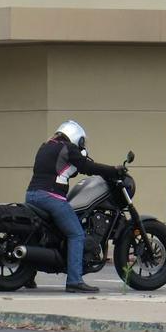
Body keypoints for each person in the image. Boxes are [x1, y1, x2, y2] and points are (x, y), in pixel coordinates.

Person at [25, 120, 123, 293]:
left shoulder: (45, 146)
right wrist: (114, 170)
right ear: (77, 138)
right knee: (76, 234)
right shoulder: (67, 148)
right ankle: (74, 281)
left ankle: (27, 276)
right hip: (50, 197)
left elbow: (69, 169)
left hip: (32, 195)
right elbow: (88, 167)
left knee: (40, 233)